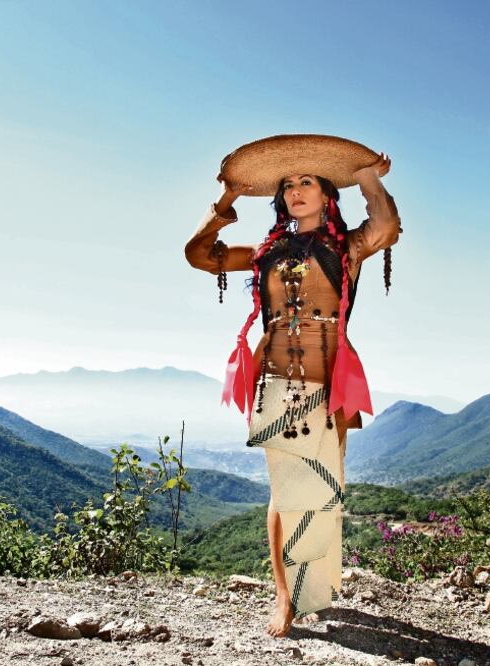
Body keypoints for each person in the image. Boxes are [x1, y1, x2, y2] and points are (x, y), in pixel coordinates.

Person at [184, 149, 401, 637]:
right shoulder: (266, 252)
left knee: (323, 489)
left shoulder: (347, 247)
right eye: (287, 184)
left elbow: (385, 227)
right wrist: (229, 195)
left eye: (307, 181)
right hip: (277, 377)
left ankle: (313, 586)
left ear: (327, 195)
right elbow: (200, 255)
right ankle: (284, 596)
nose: (295, 190)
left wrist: (367, 177)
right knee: (284, 493)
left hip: (332, 380)